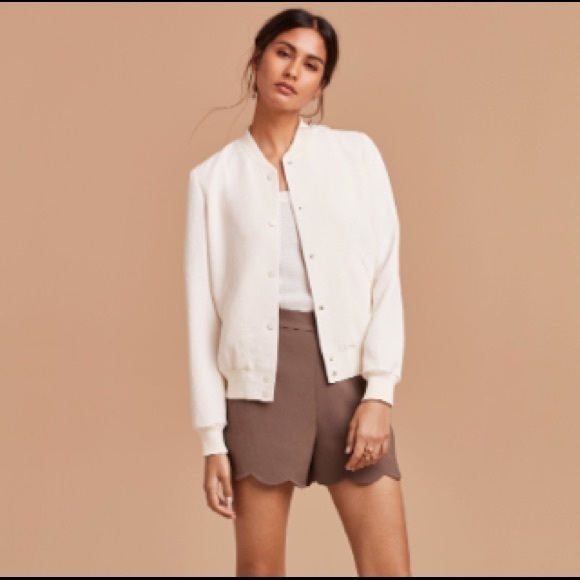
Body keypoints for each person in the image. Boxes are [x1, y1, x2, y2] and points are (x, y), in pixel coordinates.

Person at [184, 7, 411, 577]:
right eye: (284, 53)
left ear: (320, 84)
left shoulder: (356, 156)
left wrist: (380, 393)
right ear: (258, 58)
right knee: (259, 571)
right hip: (258, 383)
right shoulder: (213, 180)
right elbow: (202, 317)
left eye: (311, 64)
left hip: (346, 376)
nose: (293, 71)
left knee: (389, 570)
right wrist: (212, 438)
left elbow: (386, 273)